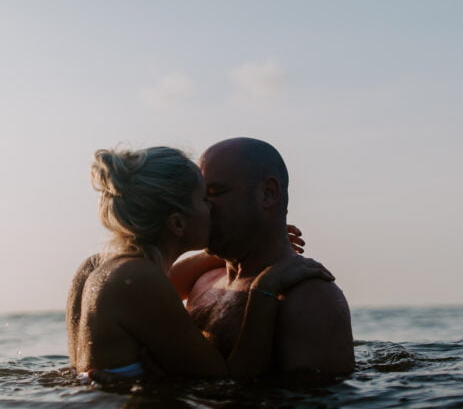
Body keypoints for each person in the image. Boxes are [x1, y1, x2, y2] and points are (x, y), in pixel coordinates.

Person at [67, 145, 333, 379]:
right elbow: (229, 381)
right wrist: (265, 288)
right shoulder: (139, 280)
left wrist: (248, 242)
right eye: (204, 198)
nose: (213, 208)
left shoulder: (97, 269)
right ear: (178, 223)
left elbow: (167, 285)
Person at [175, 138, 354, 375]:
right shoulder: (202, 280)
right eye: (200, 197)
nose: (201, 208)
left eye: (215, 193)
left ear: (268, 194)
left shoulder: (310, 299)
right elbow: (145, 286)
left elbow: (313, 407)